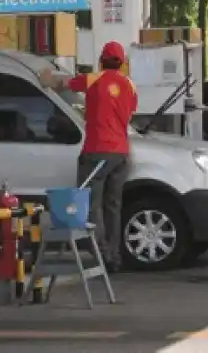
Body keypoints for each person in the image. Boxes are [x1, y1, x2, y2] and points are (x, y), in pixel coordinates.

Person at [38, 41, 138, 272]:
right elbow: (127, 112)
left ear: (101, 60)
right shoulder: (130, 85)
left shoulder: (93, 79)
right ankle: (114, 256)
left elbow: (64, 84)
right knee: (113, 206)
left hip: (97, 151)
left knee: (92, 205)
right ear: (122, 63)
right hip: (121, 154)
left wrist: (46, 78)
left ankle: (102, 255)